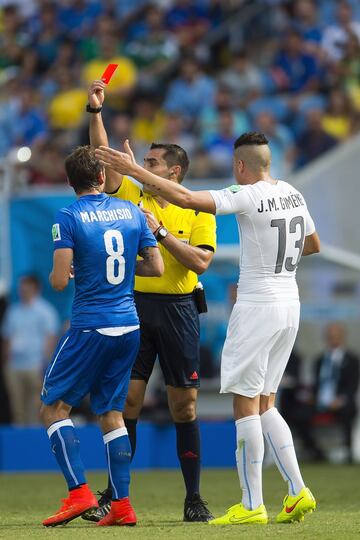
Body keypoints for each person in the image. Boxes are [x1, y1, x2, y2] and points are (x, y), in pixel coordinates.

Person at [95, 131, 321, 525]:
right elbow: (313, 243)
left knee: (245, 405)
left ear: (240, 166)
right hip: (290, 302)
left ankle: (252, 505)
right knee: (267, 402)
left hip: (258, 304)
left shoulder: (247, 194)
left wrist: (132, 168)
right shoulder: (292, 193)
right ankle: (297, 490)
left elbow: (185, 198)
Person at [86, 80, 216, 523]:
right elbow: (103, 157)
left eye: (153, 162)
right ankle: (115, 496)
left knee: (186, 406)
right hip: (135, 308)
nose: (144, 165)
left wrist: (158, 231)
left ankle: (193, 498)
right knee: (129, 404)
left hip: (179, 312)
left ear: (174, 171)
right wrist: (94, 111)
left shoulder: (196, 208)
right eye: (143, 161)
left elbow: (200, 264)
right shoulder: (133, 193)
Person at [39, 145, 163, 527]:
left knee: (53, 407)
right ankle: (122, 505)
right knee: (111, 413)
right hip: (129, 325)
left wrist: (72, 269)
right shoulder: (131, 211)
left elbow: (60, 282)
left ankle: (79, 493)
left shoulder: (68, 216)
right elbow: (155, 267)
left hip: (92, 324)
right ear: (101, 177)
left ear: (69, 180)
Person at [1, 274, 59, 425]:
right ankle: (19, 443)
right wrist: (6, 363)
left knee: (35, 407)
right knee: (17, 408)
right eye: (22, 287)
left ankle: (34, 443)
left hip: (35, 365)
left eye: (27, 287)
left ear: (36, 288)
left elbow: (50, 339)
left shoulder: (45, 311)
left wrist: (46, 364)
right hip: (15, 366)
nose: (23, 290)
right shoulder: (14, 311)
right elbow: (7, 338)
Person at [312, 322, 360, 463]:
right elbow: (316, 385)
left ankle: (348, 452)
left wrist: (340, 400)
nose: (333, 339)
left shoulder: (352, 360)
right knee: (299, 414)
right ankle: (315, 452)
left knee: (348, 411)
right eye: (330, 336)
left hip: (341, 403)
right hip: (319, 402)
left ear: (342, 337)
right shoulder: (319, 360)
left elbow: (352, 386)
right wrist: (314, 398)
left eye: (336, 336)